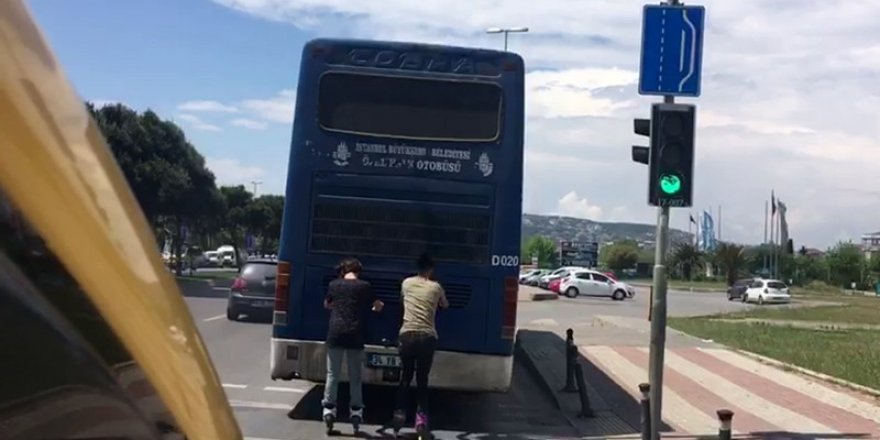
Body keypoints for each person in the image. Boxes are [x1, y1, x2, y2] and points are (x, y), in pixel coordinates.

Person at [322, 257, 384, 426]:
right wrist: (374, 307)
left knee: (332, 374)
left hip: (335, 332)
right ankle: (356, 412)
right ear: (358, 271)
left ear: (344, 271)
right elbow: (378, 305)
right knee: (355, 375)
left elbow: (327, 304)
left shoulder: (334, 284)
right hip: (355, 333)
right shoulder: (365, 286)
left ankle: (329, 409)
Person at [391, 253, 449, 431]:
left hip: (407, 335)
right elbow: (444, 305)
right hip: (427, 337)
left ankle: (399, 413)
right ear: (431, 270)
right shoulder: (436, 287)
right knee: (422, 379)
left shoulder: (406, 283)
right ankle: (421, 420)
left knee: (405, 377)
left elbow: (402, 301)